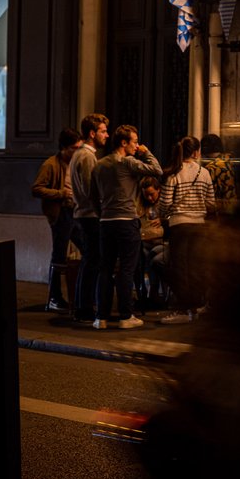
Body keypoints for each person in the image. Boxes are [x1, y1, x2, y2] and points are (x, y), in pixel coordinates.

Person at [91, 124, 162, 329]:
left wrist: (101, 214)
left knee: (105, 269)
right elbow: (156, 170)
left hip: (106, 223)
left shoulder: (99, 165)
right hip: (126, 222)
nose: (137, 145)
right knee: (126, 269)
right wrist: (146, 153)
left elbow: (93, 196)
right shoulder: (128, 162)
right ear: (124, 143)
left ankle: (101, 317)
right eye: (135, 141)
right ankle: (125, 316)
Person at [158, 136, 216, 324]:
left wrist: (168, 213)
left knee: (180, 268)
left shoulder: (174, 173)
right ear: (197, 152)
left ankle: (183, 309)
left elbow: (165, 203)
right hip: (199, 225)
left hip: (179, 225)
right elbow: (211, 203)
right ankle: (195, 307)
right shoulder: (205, 173)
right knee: (197, 267)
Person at [31, 128, 83, 312]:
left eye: (79, 147)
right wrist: (60, 193)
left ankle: (79, 295)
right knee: (59, 256)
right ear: (63, 148)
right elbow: (36, 188)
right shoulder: (51, 165)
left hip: (76, 212)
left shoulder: (76, 162)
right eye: (73, 148)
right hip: (61, 213)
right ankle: (54, 298)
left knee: (88, 249)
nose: (76, 151)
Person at [70, 113, 109, 323]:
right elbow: (89, 190)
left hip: (85, 214)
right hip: (89, 215)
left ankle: (82, 305)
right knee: (92, 261)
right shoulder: (86, 156)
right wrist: (101, 213)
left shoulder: (81, 154)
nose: (107, 135)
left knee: (89, 260)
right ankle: (84, 307)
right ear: (92, 133)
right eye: (103, 131)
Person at [137, 176, 168, 309]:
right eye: (146, 195)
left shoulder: (164, 205)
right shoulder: (141, 206)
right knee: (140, 254)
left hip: (163, 243)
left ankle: (152, 294)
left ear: (159, 190)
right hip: (147, 243)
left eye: (151, 194)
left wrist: (163, 220)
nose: (149, 198)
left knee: (152, 257)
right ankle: (144, 294)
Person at [200, 132, 237, 216]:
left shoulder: (211, 168)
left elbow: (209, 195)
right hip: (236, 209)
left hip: (221, 212)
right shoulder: (232, 160)